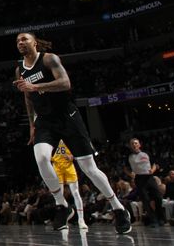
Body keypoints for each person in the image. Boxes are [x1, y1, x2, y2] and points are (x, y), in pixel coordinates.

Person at [13, 32, 131, 234]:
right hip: (44, 121)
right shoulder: (19, 69)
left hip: (67, 116)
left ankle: (119, 209)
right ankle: (62, 205)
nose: (20, 42)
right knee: (41, 158)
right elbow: (28, 98)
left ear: (35, 42)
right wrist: (32, 124)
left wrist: (36, 86)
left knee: (89, 168)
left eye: (24, 39)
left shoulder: (49, 58)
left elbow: (65, 83)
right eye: (17, 41)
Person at [125, 138, 164, 226]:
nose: (134, 145)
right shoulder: (129, 157)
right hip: (139, 179)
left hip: (149, 177)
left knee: (158, 197)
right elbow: (125, 168)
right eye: (132, 144)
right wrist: (131, 175)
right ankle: (153, 220)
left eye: (136, 143)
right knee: (145, 200)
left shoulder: (146, 153)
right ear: (130, 146)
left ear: (139, 145)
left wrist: (152, 170)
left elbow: (154, 164)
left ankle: (161, 218)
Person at [51, 139, 88, 229]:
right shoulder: (52, 134)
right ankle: (64, 218)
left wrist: (73, 156)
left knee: (75, 193)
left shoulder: (68, 133)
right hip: (57, 166)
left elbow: (77, 151)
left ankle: (81, 220)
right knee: (59, 195)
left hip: (68, 166)